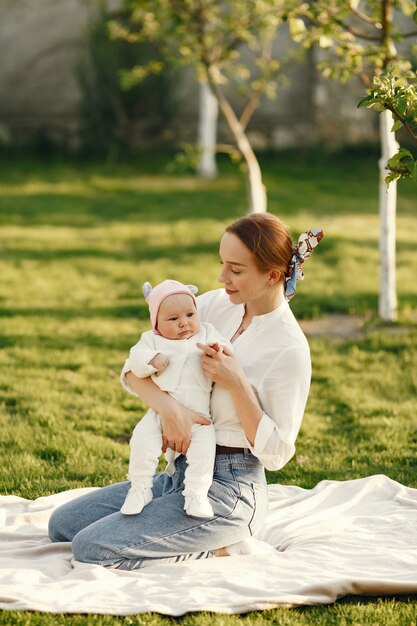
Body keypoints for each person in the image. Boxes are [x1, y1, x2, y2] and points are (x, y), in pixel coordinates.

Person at [48, 213, 323, 569]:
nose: (222, 277)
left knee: (91, 549)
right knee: (63, 526)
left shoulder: (288, 347)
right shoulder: (213, 306)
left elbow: (276, 454)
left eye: (235, 270)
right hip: (178, 473)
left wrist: (236, 383)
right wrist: (170, 411)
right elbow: (132, 372)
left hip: (230, 489)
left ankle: (224, 547)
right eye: (222, 264)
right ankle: (178, 524)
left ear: (272, 275)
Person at [120, 279, 231, 519]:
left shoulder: (207, 331)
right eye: (173, 319)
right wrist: (152, 360)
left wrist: (217, 350)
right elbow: (135, 360)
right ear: (157, 324)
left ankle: (196, 495)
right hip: (160, 413)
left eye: (190, 314)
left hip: (200, 416)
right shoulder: (151, 340)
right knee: (141, 439)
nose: (184, 323)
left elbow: (225, 346)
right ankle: (139, 488)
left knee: (204, 450)